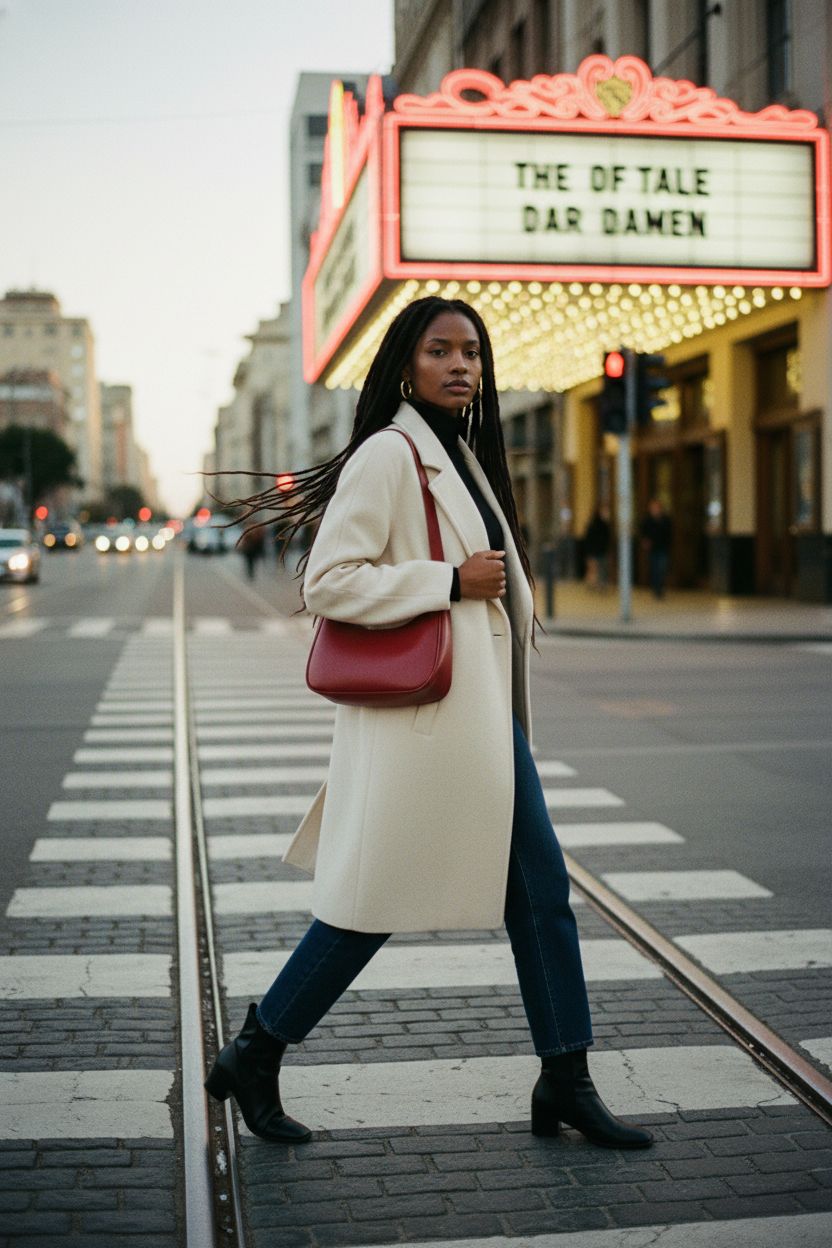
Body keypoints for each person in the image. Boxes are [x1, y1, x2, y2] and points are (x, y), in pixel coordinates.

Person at [204, 297, 652, 1151]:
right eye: (440, 350)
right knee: (371, 907)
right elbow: (330, 582)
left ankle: (565, 1076)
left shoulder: (462, 456)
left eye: (473, 354)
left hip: (478, 725)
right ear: (405, 365)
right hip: (429, 723)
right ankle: (257, 1050)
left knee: (540, 895)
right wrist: (445, 580)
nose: (460, 366)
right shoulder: (389, 453)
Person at [640, 498, 673, 599]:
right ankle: (656, 589)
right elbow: (643, 532)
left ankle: (660, 588)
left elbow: (669, 533)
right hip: (653, 548)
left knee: (662, 568)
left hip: (663, 548)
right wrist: (645, 541)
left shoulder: (665, 519)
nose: (655, 509)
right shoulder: (647, 520)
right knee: (654, 568)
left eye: (657, 507)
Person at [583, 504, 611, 590]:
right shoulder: (604, 525)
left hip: (592, 550)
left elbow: (587, 538)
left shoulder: (591, 525)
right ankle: (601, 584)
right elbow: (607, 538)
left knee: (593, 569)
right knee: (602, 568)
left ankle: (593, 584)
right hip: (601, 550)